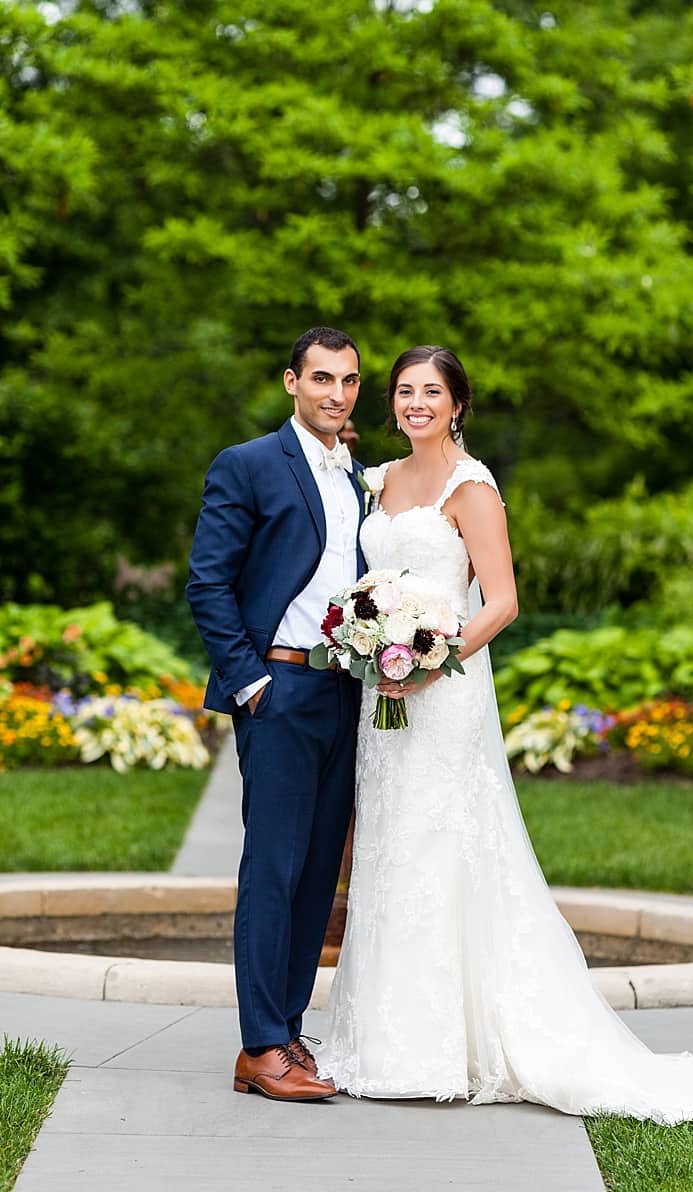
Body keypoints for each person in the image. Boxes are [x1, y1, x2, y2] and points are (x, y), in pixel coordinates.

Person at [314, 346, 693, 1121]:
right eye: (404, 391)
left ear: (458, 403)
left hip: (444, 692)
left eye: (432, 391)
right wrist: (373, 646)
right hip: (382, 696)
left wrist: (432, 658)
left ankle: (452, 1047)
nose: (416, 404)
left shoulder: (474, 488)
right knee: (390, 848)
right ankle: (385, 1042)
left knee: (444, 846)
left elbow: (500, 600)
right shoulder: (382, 481)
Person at [187, 326, 366, 1101]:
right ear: (291, 382)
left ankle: (288, 1033)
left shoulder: (361, 475)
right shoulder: (250, 464)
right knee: (273, 868)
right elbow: (208, 583)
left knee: (319, 872)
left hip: (347, 691)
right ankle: (258, 1047)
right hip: (280, 691)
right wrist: (250, 683)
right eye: (322, 378)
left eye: (349, 381)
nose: (336, 393)